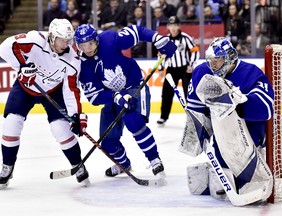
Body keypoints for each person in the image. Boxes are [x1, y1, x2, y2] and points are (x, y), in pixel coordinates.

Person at [74, 23, 177, 178]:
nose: (87, 48)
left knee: (133, 121)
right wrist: (115, 97)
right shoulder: (83, 66)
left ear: (96, 39)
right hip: (113, 97)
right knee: (107, 143)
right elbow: (94, 97)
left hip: (134, 85)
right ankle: (123, 164)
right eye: (82, 45)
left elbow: (138, 31)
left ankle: (154, 160)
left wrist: (157, 38)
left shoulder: (109, 39)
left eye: (90, 43)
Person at [0, 18, 90, 189]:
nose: (67, 44)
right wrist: (22, 67)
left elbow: (71, 89)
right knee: (11, 123)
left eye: (69, 40)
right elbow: (5, 47)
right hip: (26, 87)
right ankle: (7, 167)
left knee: (61, 129)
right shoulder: (36, 40)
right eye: (63, 39)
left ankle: (77, 164)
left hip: (52, 91)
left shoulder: (73, 59)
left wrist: (76, 115)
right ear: (52, 36)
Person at [181, 37, 273, 203]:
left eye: (218, 60)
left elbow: (266, 109)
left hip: (251, 129)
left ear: (230, 56)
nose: (213, 65)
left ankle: (248, 171)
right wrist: (197, 133)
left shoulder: (251, 73)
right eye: (211, 60)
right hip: (223, 132)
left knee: (245, 171)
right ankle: (218, 173)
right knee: (222, 166)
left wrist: (241, 101)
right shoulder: (202, 72)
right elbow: (196, 108)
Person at [157, 16, 200, 125]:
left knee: (188, 93)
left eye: (175, 25)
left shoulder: (185, 38)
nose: (173, 28)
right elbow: (161, 55)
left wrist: (191, 64)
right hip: (171, 69)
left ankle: (192, 115)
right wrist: (161, 68)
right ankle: (163, 116)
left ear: (179, 26)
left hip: (185, 69)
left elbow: (195, 50)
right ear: (168, 27)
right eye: (171, 25)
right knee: (166, 92)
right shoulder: (165, 40)